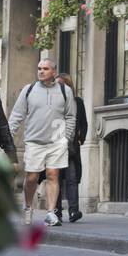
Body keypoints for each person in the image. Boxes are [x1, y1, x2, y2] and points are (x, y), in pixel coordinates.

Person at [8, 59, 78, 227]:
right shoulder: (29, 90)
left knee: (53, 175)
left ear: (54, 72)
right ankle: (28, 207)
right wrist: (7, 137)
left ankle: (50, 213)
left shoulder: (65, 90)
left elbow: (70, 116)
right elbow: (17, 115)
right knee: (32, 177)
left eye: (45, 69)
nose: (41, 71)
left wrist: (66, 138)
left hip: (57, 142)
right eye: (39, 68)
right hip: (34, 141)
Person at [36, 74, 87, 223]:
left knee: (71, 178)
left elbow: (83, 123)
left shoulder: (77, 102)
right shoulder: (50, 102)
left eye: (61, 85)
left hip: (70, 148)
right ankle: (56, 212)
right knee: (55, 178)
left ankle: (73, 211)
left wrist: (80, 139)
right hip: (53, 146)